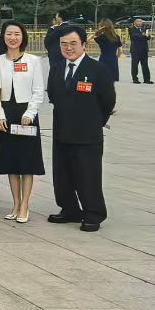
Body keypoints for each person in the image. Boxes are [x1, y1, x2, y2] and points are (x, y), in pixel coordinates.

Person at [47, 25, 116, 231]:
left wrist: (95, 122)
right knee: (62, 175)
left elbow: (108, 101)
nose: (68, 48)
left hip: (87, 135)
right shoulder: (57, 67)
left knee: (88, 176)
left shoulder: (97, 69)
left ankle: (93, 214)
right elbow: (53, 95)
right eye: (64, 44)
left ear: (84, 45)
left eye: (73, 43)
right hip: (62, 131)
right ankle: (70, 210)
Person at [0, 21, 46, 223]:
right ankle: (15, 203)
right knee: (11, 162)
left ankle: (25, 205)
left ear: (23, 37)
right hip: (7, 114)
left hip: (26, 116)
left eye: (17, 34)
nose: (12, 38)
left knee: (27, 163)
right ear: (3, 36)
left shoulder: (33, 61)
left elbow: (38, 91)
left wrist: (30, 113)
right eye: (9, 34)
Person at [128, 18, 152, 84]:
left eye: (141, 21)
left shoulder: (144, 29)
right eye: (138, 21)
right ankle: (135, 79)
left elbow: (148, 37)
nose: (139, 22)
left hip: (144, 50)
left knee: (145, 65)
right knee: (135, 65)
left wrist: (147, 34)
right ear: (134, 23)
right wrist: (143, 35)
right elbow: (134, 36)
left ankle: (147, 79)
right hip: (135, 50)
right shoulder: (131, 29)